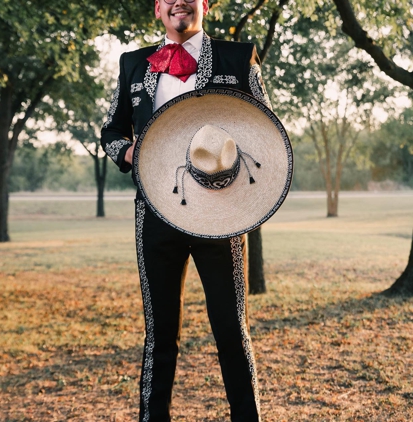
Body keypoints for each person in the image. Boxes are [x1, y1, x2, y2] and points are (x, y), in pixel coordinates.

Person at [101, 0, 272, 420]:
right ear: (158, 8)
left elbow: (266, 126)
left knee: (231, 331)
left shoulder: (238, 57)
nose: (180, 1)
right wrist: (127, 152)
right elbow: (111, 131)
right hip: (155, 216)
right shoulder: (132, 64)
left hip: (223, 217)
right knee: (160, 335)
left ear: (204, 5)